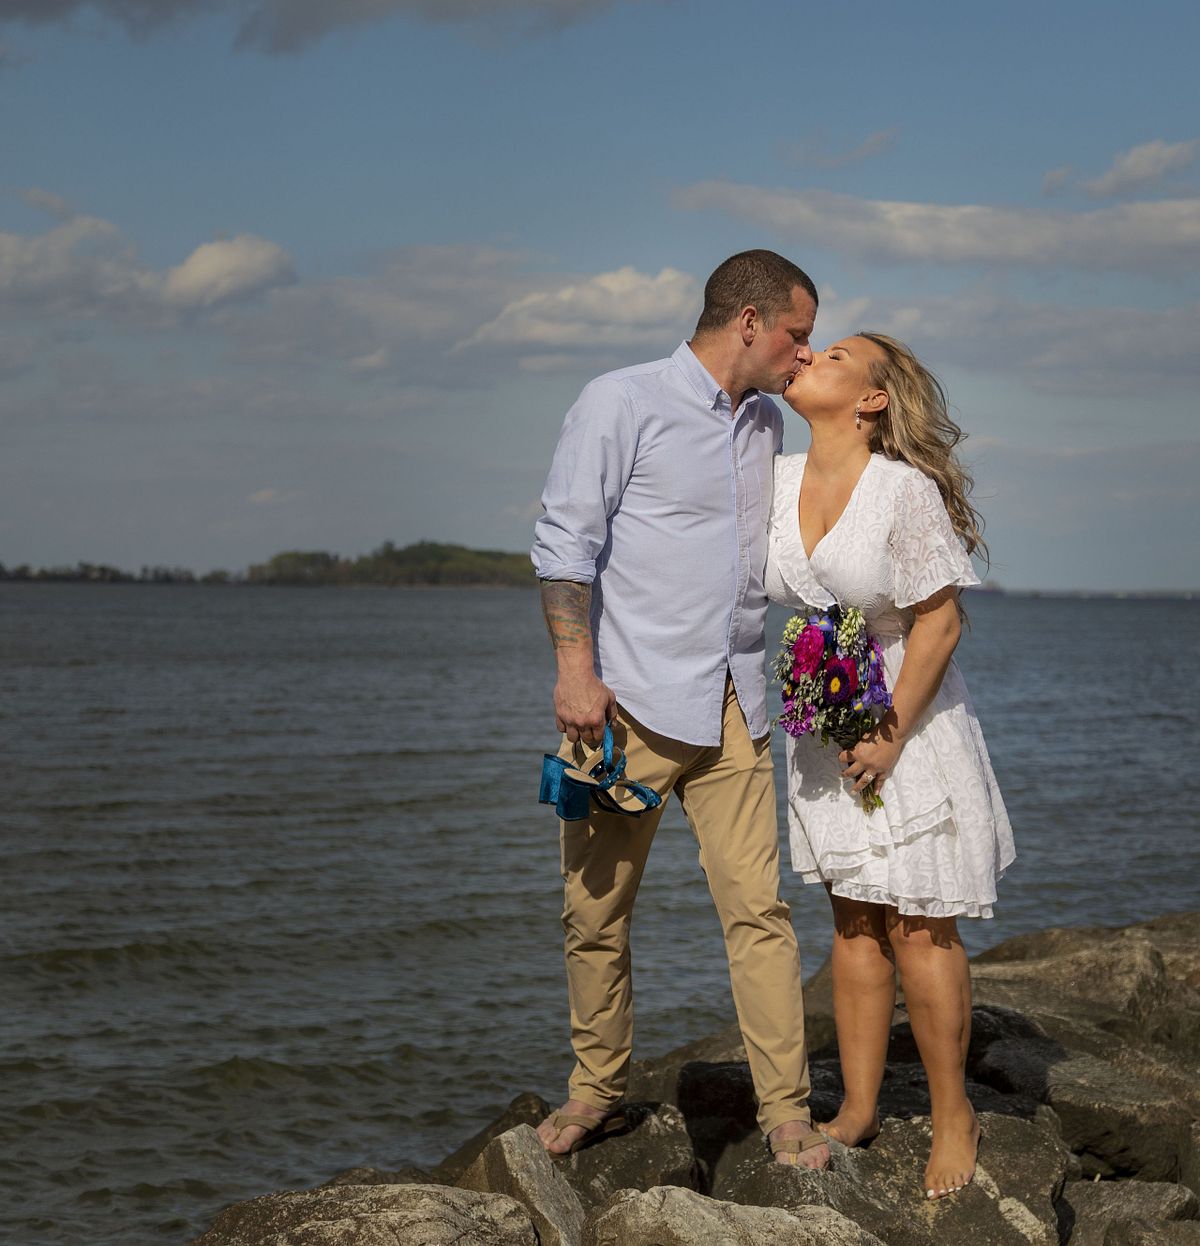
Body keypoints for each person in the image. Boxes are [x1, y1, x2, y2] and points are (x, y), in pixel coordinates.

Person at [530, 250, 830, 1168]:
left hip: (738, 705)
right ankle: (597, 1090)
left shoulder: (766, 422)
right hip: (624, 708)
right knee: (595, 914)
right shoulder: (620, 401)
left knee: (760, 914)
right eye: (796, 333)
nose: (803, 353)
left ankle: (785, 1112)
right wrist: (574, 671)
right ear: (747, 321)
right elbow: (564, 543)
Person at [765, 331, 1016, 1198]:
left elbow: (940, 624)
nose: (810, 358)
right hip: (825, 723)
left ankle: (955, 1115)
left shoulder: (901, 489)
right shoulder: (773, 479)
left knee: (919, 925)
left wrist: (891, 731)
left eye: (835, 356)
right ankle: (861, 1105)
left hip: (905, 718)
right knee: (853, 921)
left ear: (872, 399)